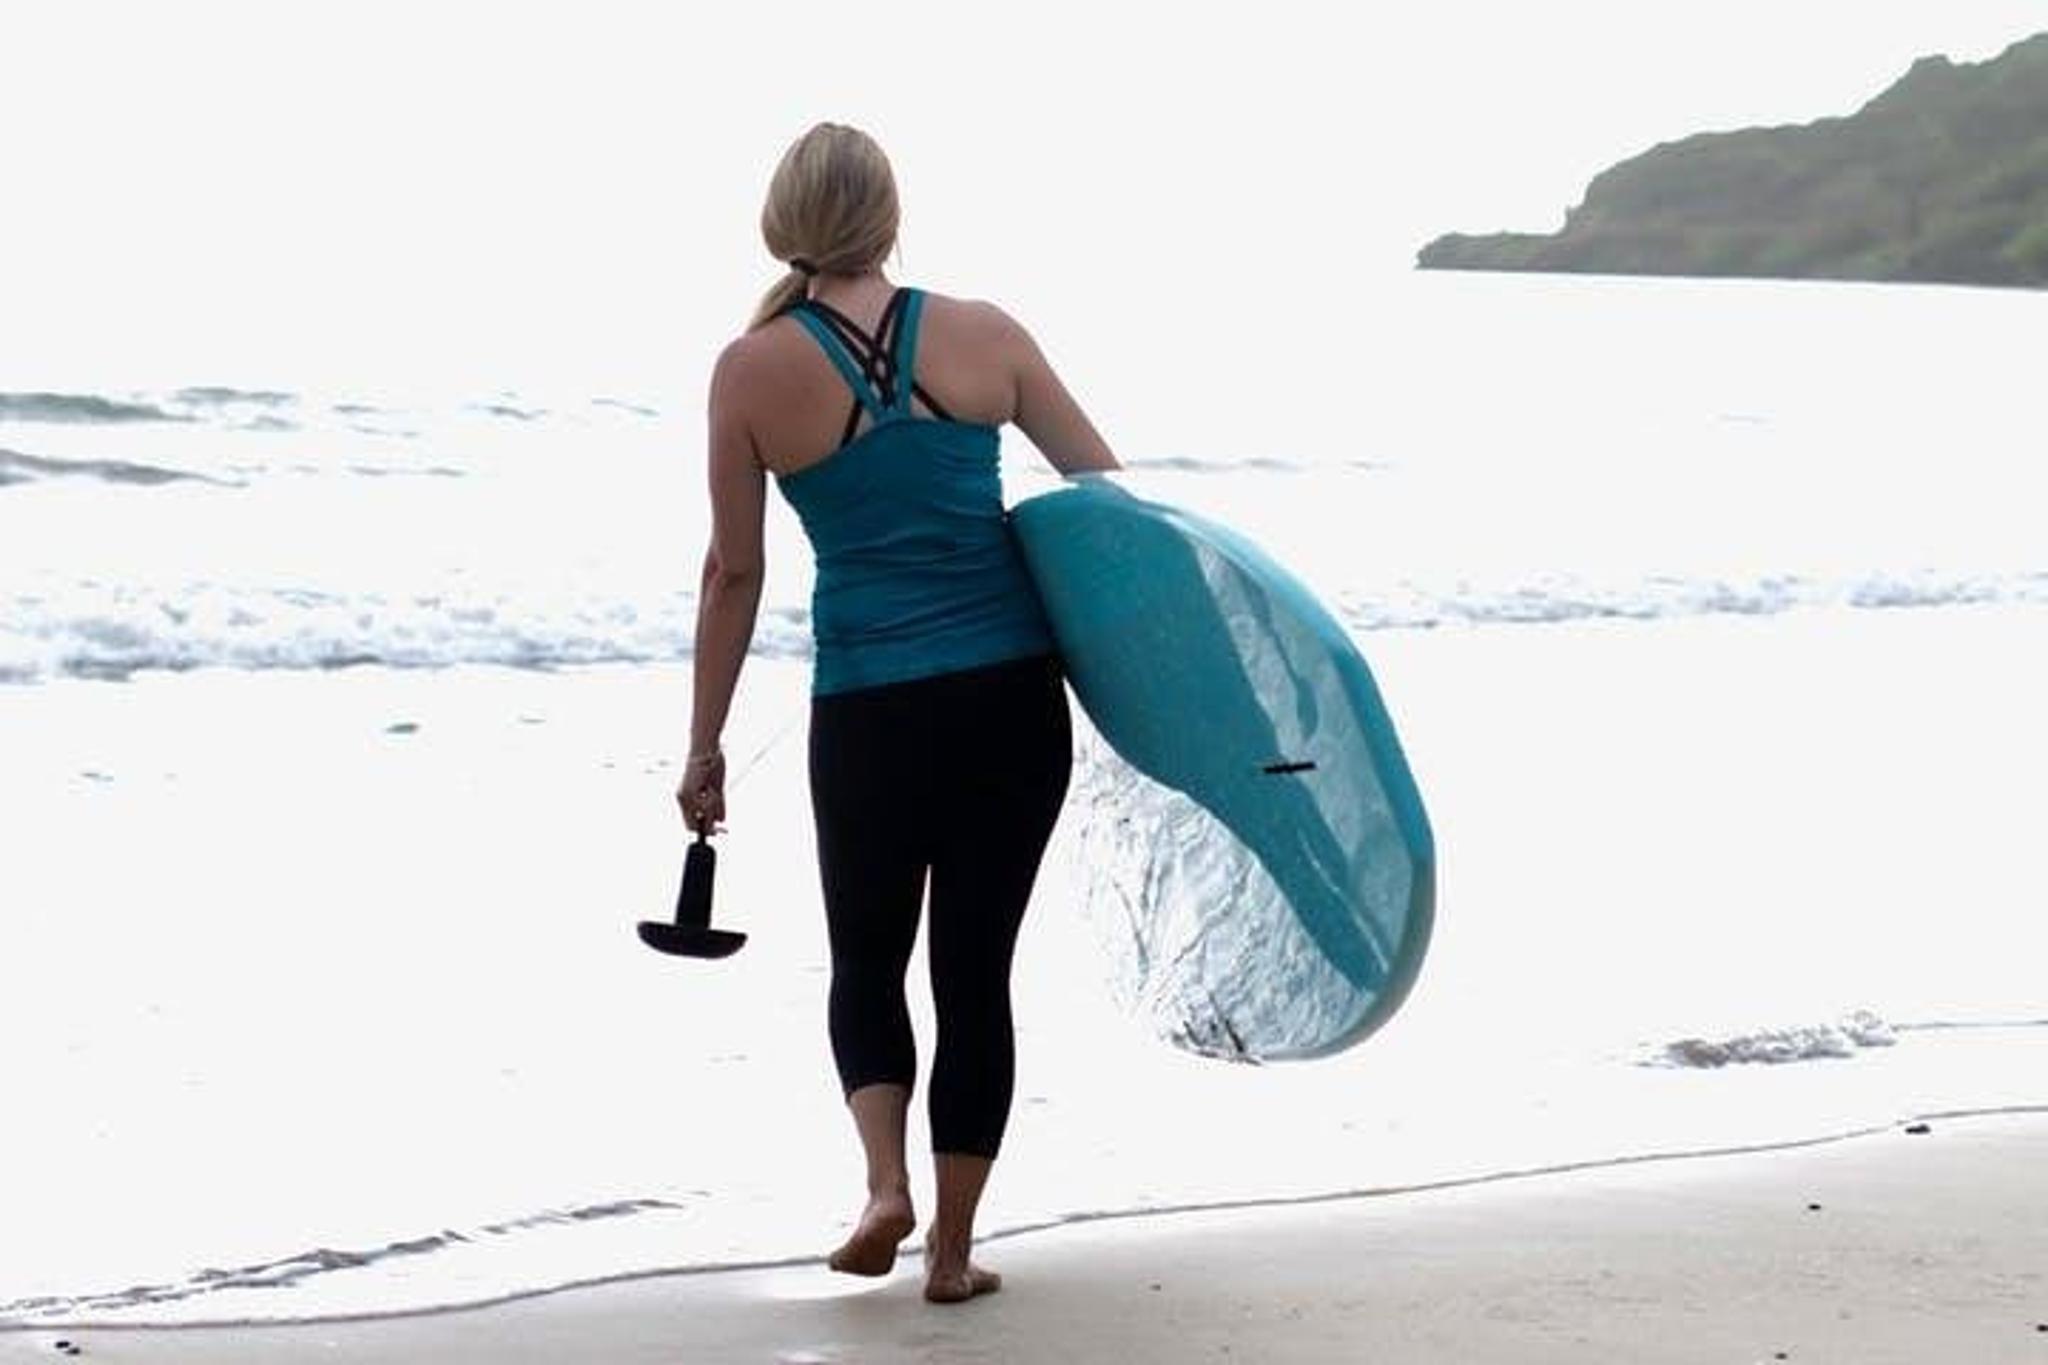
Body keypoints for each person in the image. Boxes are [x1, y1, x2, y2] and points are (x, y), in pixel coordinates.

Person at [676, 121, 1119, 1305]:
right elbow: (1108, 501)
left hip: (869, 712)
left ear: (782, 221)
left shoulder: (749, 367)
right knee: (976, 976)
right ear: (887, 213)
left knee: (867, 960)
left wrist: (704, 743)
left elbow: (734, 571)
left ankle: (882, 1185)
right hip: (1008, 706)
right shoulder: (985, 335)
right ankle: (953, 1253)